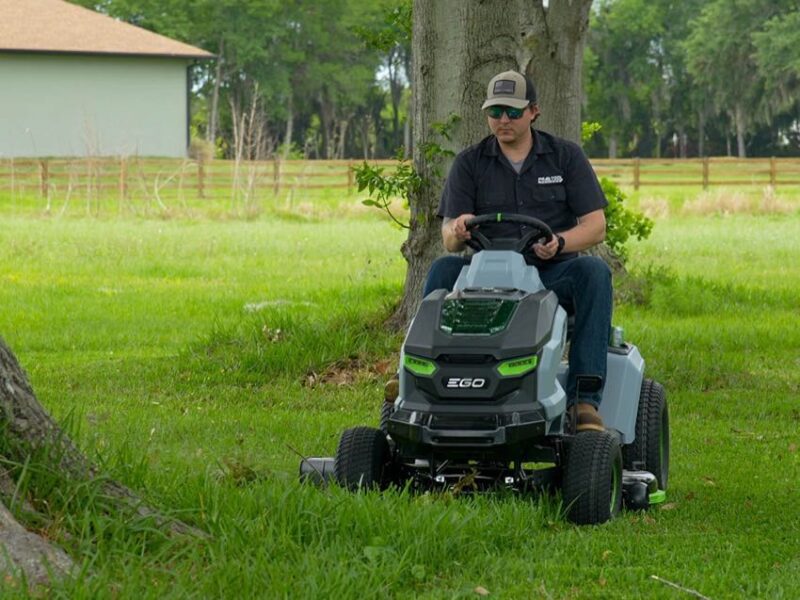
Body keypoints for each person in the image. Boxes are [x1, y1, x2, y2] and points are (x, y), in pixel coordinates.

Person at [423, 69, 612, 432]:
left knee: (594, 274)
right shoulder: (470, 162)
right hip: (485, 273)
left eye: (512, 111)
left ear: (533, 112)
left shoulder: (565, 157)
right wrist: (458, 229)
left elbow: (595, 226)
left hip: (549, 272)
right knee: (443, 270)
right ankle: (420, 377)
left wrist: (560, 243)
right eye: (495, 112)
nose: (503, 120)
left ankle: (583, 400)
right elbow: (448, 235)